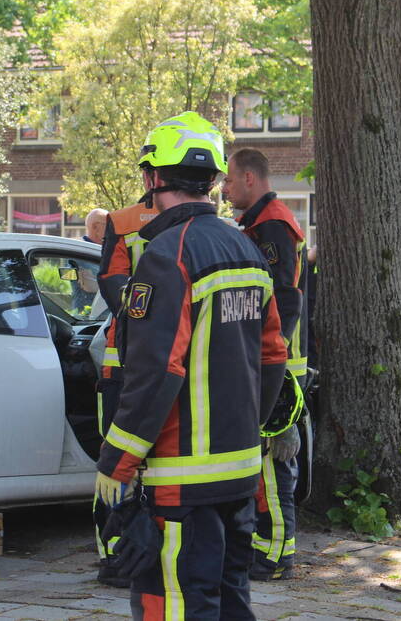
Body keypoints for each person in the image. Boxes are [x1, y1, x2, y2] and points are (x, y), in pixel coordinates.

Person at [95, 111, 287, 620]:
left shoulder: (166, 254)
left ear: (153, 178)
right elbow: (273, 355)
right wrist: (251, 429)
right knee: (229, 601)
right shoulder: (247, 250)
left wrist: (117, 460)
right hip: (240, 471)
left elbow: (158, 370)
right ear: (214, 179)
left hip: (182, 479)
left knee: (177, 605)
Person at [221, 147, 307, 581]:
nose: (223, 189)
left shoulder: (272, 226)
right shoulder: (260, 224)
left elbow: (283, 299)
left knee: (273, 466)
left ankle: (275, 556)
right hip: (270, 361)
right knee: (266, 465)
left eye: (230, 181)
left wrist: (269, 359)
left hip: (277, 367)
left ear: (251, 178)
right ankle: (267, 549)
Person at [92, 199, 157, 587]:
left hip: (123, 365)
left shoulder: (123, 223)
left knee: (117, 461)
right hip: (165, 364)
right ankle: (131, 556)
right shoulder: (201, 227)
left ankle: (116, 556)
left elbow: (113, 288)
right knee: (145, 465)